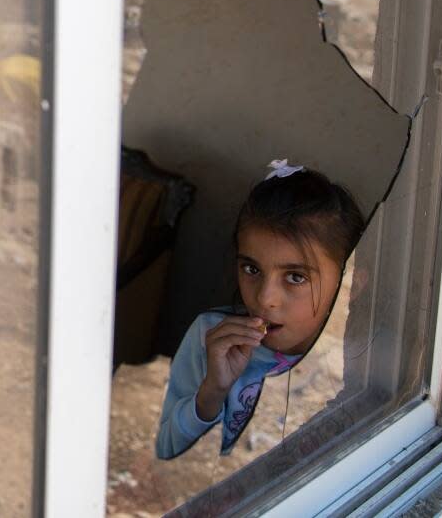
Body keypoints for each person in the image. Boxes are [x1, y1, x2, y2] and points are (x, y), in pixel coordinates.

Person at [155, 160, 365, 460]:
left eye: (296, 277)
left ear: (350, 282)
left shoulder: (361, 361)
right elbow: (166, 456)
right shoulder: (210, 337)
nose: (265, 299)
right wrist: (212, 391)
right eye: (251, 268)